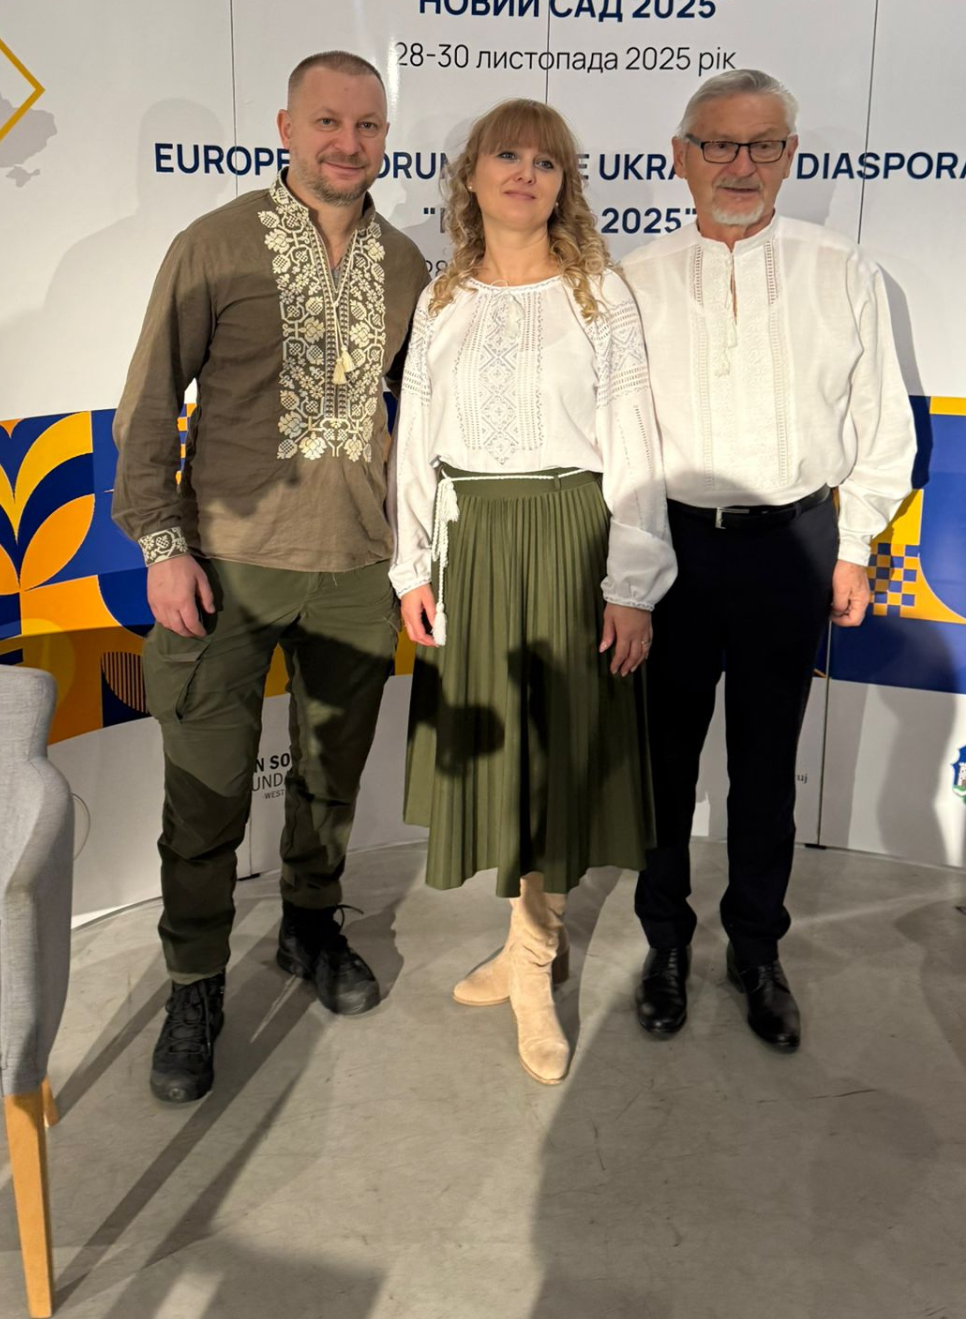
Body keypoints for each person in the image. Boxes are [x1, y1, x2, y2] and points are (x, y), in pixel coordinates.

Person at [113, 50, 428, 1104]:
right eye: (328, 122)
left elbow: (428, 419)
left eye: (368, 126)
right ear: (286, 128)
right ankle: (194, 983)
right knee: (204, 797)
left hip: (357, 568)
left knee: (332, 778)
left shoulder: (407, 265)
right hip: (225, 570)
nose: (349, 144)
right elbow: (148, 405)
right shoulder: (214, 244)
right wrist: (163, 548)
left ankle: (310, 927)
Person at [623, 67, 916, 1051]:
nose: (739, 165)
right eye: (719, 143)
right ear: (681, 157)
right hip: (668, 547)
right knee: (662, 765)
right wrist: (625, 576)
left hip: (793, 545)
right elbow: (616, 442)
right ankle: (665, 943)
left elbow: (881, 425)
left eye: (763, 145)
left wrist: (856, 545)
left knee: (765, 766)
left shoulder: (844, 272)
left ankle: (757, 949)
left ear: (791, 156)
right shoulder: (632, 281)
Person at [390, 98, 676, 1085]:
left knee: (554, 762)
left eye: (546, 162)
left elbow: (635, 441)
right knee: (501, 757)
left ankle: (534, 962)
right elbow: (414, 445)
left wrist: (631, 583)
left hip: (567, 538)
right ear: (470, 175)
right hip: (470, 544)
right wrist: (411, 566)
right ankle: (523, 946)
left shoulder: (601, 295)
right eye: (506, 155)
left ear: (565, 186)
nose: (525, 173)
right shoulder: (442, 299)